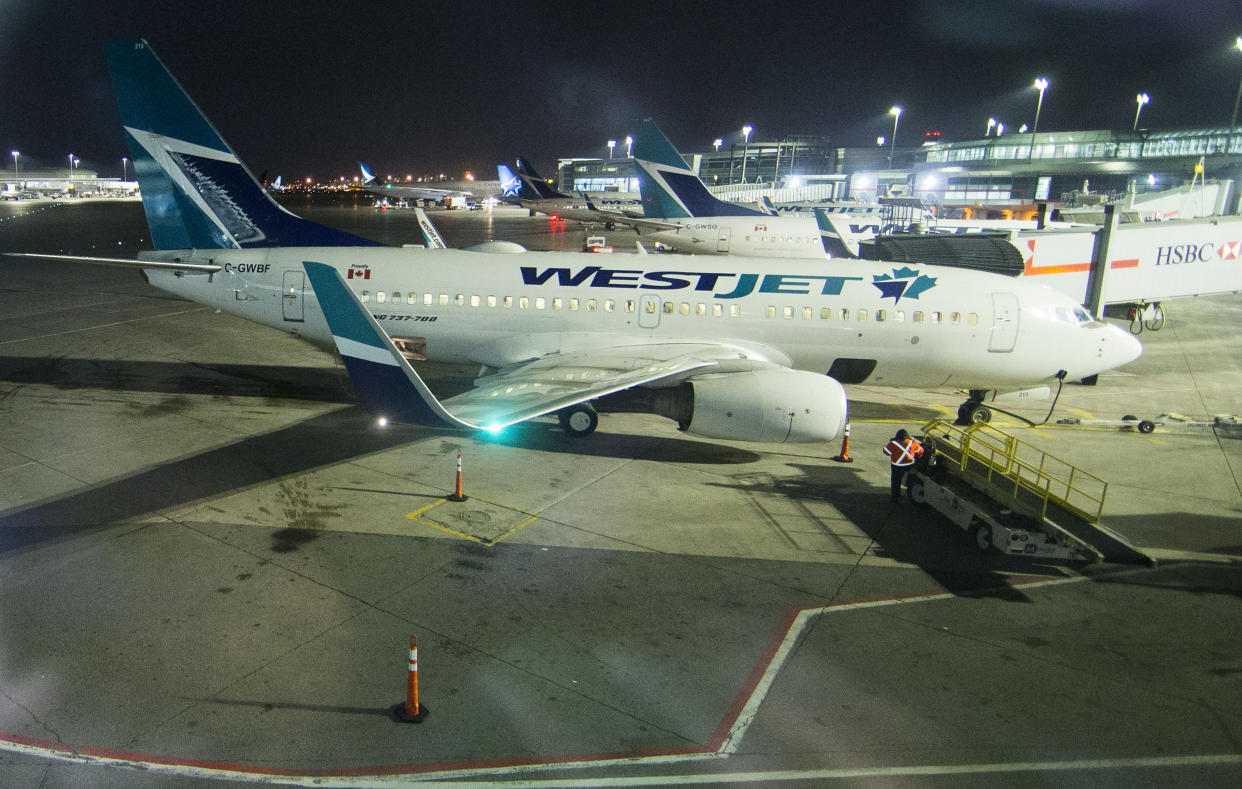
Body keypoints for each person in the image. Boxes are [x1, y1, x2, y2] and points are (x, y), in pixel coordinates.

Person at [882, 429, 924, 503]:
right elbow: (920, 451)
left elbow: (886, 452)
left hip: (897, 466)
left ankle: (895, 497)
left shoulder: (893, 443)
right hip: (910, 465)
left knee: (896, 481)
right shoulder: (912, 442)